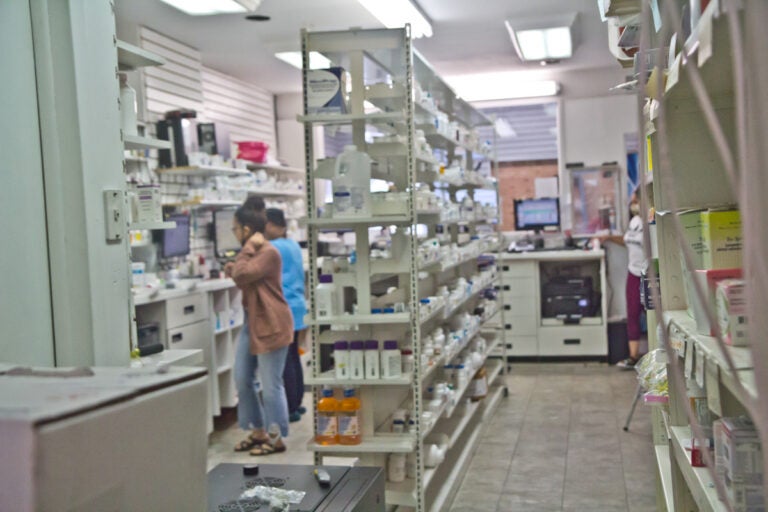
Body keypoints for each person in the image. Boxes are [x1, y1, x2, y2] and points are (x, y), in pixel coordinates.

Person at [225, 207, 293, 455]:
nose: (233, 233)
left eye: (235, 228)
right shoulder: (255, 253)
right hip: (252, 321)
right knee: (242, 378)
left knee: (270, 384)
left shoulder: (268, 252)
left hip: (272, 324)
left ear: (246, 230)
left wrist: (243, 255)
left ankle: (275, 438)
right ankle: (258, 431)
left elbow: (243, 273)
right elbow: (243, 276)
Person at [264, 208, 308, 422]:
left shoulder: (272, 247)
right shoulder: (292, 245)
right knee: (293, 356)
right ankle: (297, 403)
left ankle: (289, 408)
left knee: (284, 362)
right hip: (298, 306)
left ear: (273, 225)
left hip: (283, 307)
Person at [616, 192, 647, 369]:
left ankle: (661, 355)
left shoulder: (651, 222)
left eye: (636, 199)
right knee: (633, 314)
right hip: (633, 272)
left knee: (653, 314)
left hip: (648, 273)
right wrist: (607, 238)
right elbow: (628, 241)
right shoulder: (634, 221)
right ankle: (633, 357)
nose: (633, 202)